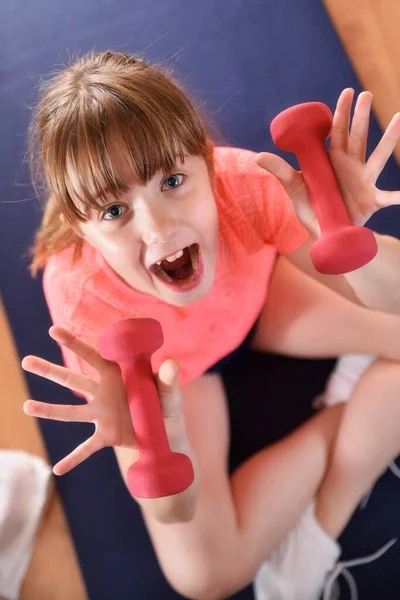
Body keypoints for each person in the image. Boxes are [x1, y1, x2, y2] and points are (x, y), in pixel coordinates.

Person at [22, 50, 400, 600]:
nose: (158, 228)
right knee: (206, 577)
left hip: (264, 303)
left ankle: (325, 522)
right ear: (82, 230)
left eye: (173, 180)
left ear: (207, 161)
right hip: (181, 377)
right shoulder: (81, 298)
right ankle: (352, 416)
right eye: (113, 211)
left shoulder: (242, 183)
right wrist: (166, 439)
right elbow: (176, 506)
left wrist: (352, 239)